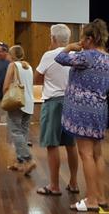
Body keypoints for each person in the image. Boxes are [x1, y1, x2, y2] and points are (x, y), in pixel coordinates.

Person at [55, 19, 109, 212]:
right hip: (100, 110)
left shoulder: (87, 56)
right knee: (97, 155)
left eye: (82, 38)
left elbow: (60, 59)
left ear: (89, 39)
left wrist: (69, 47)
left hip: (82, 111)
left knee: (86, 155)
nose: (80, 41)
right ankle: (101, 196)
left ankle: (91, 200)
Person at [34, 24, 80, 196]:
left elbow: (36, 78)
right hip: (71, 102)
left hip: (53, 102)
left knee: (52, 144)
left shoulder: (49, 55)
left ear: (53, 38)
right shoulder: (76, 55)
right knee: (70, 144)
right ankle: (74, 183)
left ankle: (54, 186)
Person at [2, 45, 36, 175]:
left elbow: (6, 86)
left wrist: (4, 97)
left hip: (17, 102)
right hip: (29, 102)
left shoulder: (13, 65)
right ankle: (20, 162)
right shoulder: (28, 67)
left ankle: (29, 159)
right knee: (23, 132)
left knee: (15, 132)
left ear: (12, 55)